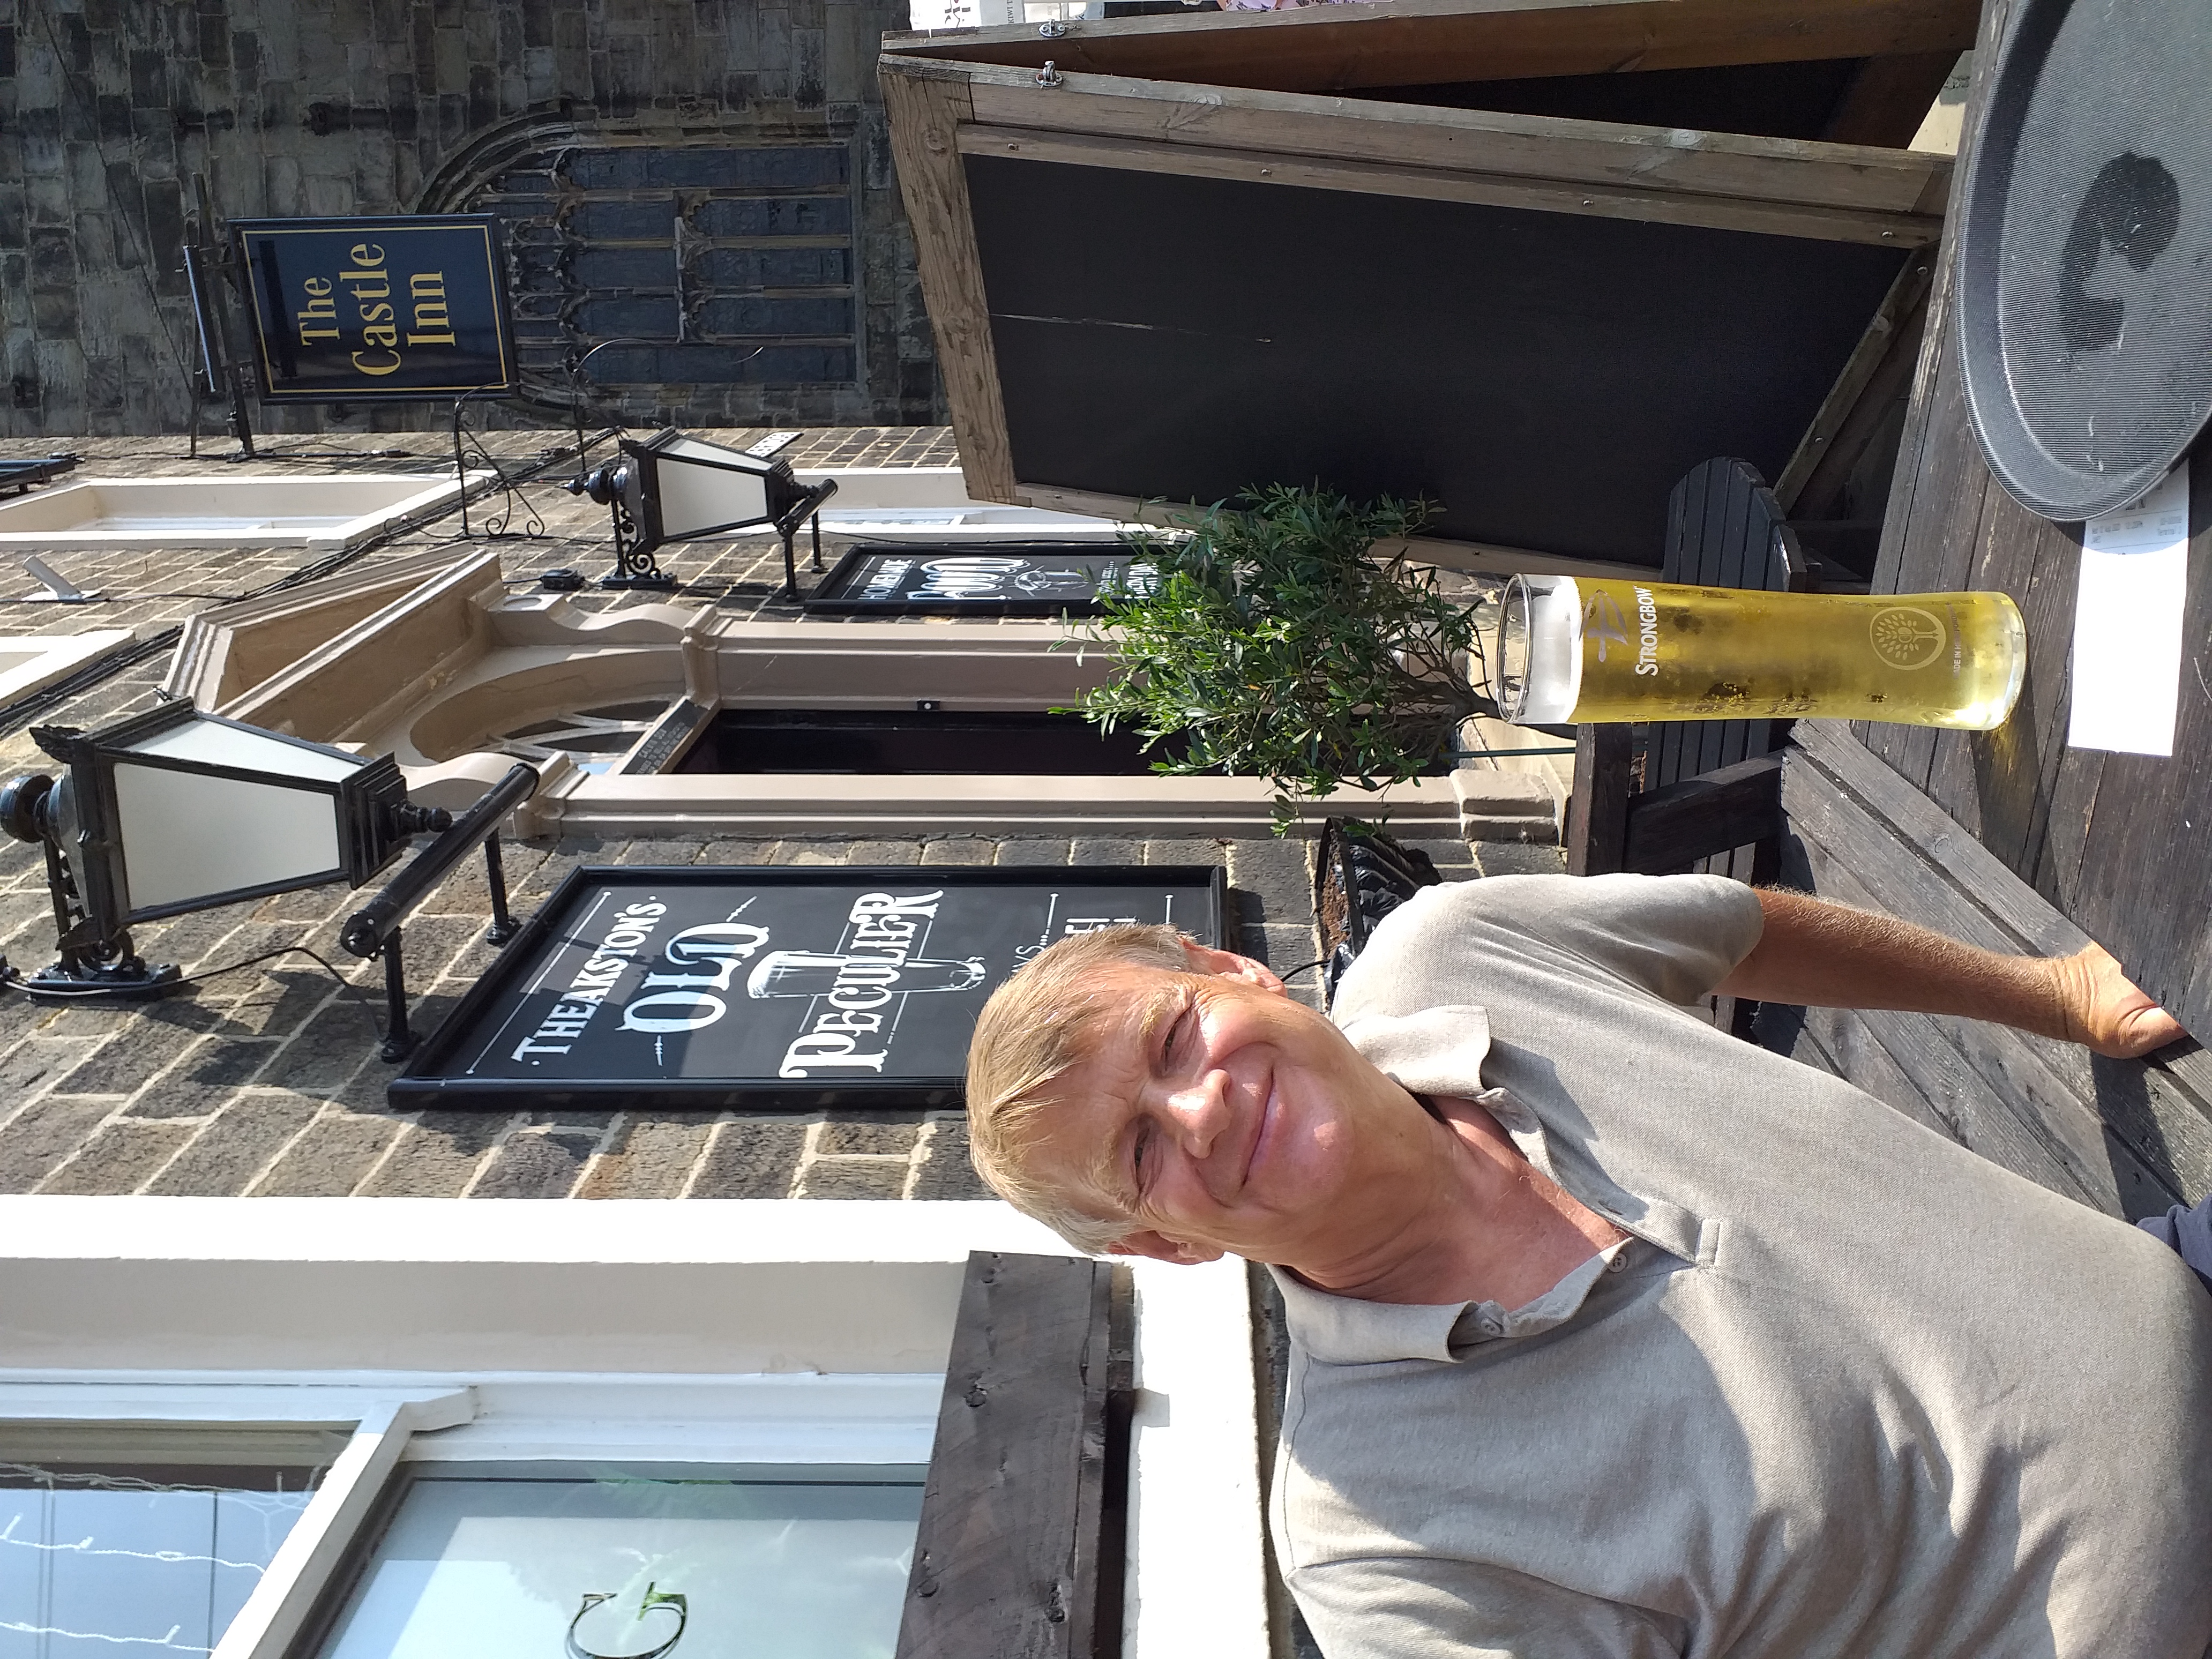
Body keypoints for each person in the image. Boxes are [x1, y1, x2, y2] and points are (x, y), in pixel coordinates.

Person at [963, 872, 2212, 1658]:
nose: (1200, 1112)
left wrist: (2052, 993)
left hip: (2179, 1281)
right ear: (1163, 1244)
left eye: (1174, 1039)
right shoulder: (1381, 1551)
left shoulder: (1459, 957)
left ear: (1238, 972)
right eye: (1139, 1149)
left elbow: (1740, 930)